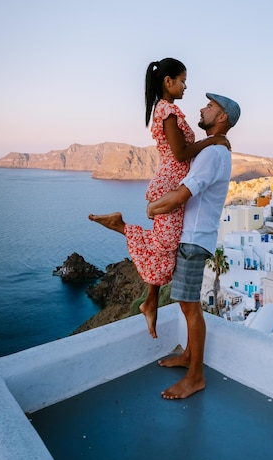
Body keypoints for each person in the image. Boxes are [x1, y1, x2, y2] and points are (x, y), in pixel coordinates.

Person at [89, 58, 230, 338]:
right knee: (165, 246)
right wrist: (211, 141)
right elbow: (180, 154)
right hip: (169, 185)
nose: (186, 86)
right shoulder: (166, 111)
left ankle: (150, 302)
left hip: (170, 182)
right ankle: (121, 226)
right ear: (169, 82)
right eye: (183, 81)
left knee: (165, 249)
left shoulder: (167, 110)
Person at [147, 92, 241, 400]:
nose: (203, 108)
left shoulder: (214, 154)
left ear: (222, 117)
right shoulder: (211, 150)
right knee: (188, 304)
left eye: (210, 106)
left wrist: (154, 208)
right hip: (193, 236)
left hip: (194, 238)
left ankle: (196, 376)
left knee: (189, 306)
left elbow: (183, 194)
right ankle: (189, 356)